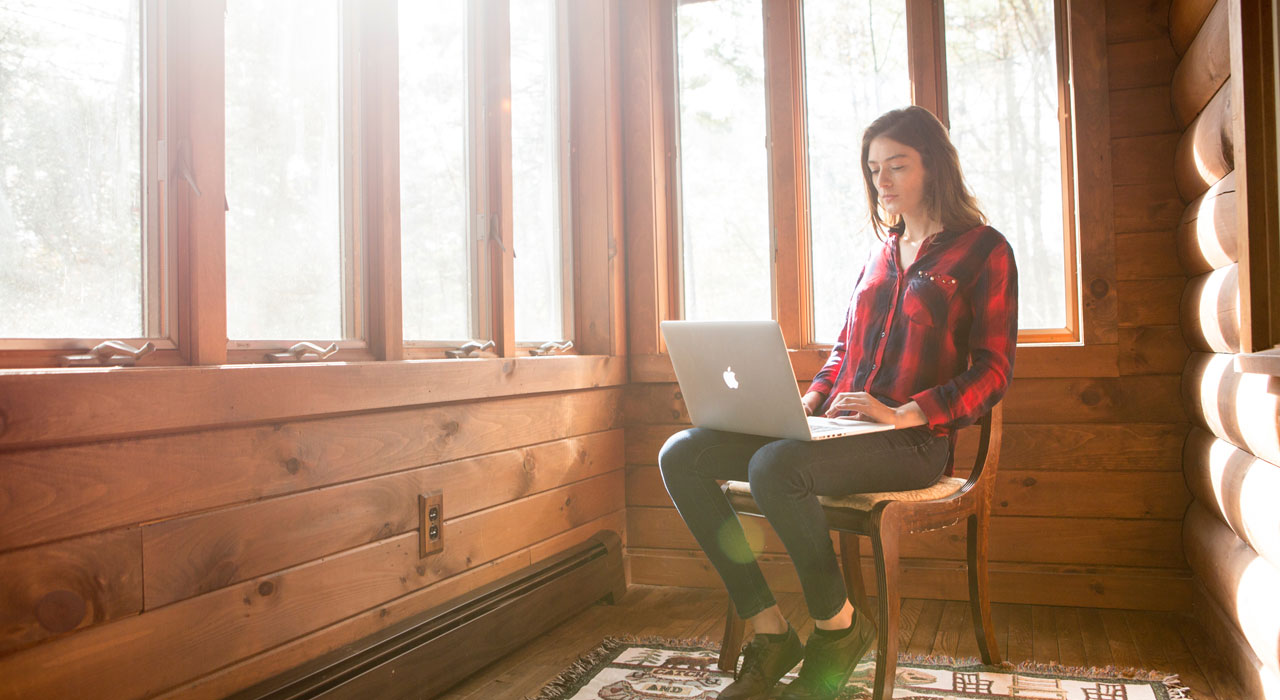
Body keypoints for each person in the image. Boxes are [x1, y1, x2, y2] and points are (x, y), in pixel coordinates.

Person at [657, 105, 1018, 700]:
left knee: (775, 466)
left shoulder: (984, 250)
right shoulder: (879, 254)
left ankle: (837, 631)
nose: (883, 180)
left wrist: (906, 411)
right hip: (837, 431)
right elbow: (845, 348)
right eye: (874, 168)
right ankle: (771, 632)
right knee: (682, 454)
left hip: (913, 443)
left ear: (935, 166)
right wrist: (807, 400)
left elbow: (995, 370)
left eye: (897, 165)